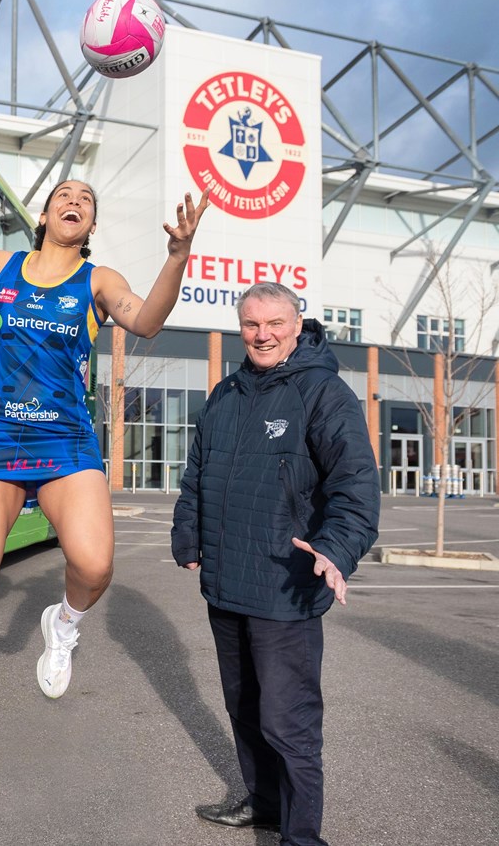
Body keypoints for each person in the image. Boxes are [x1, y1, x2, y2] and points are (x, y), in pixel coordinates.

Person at [0, 179, 210, 699]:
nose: (74, 202)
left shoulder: (98, 280)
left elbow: (147, 321)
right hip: (0, 433)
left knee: (95, 565)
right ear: (45, 216)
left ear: (91, 226)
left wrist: (178, 255)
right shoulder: (0, 264)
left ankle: (64, 626)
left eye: (86, 200)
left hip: (66, 440)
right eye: (64, 196)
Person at [171, 282, 380, 846]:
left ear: (297, 323)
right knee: (243, 707)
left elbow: (355, 483)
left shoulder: (324, 393)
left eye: (275, 324)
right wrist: (187, 534)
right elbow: (198, 472)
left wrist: (337, 549)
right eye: (251, 325)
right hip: (225, 582)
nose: (263, 335)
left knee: (288, 721)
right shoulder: (226, 393)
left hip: (285, 586)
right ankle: (264, 804)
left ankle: (302, 836)